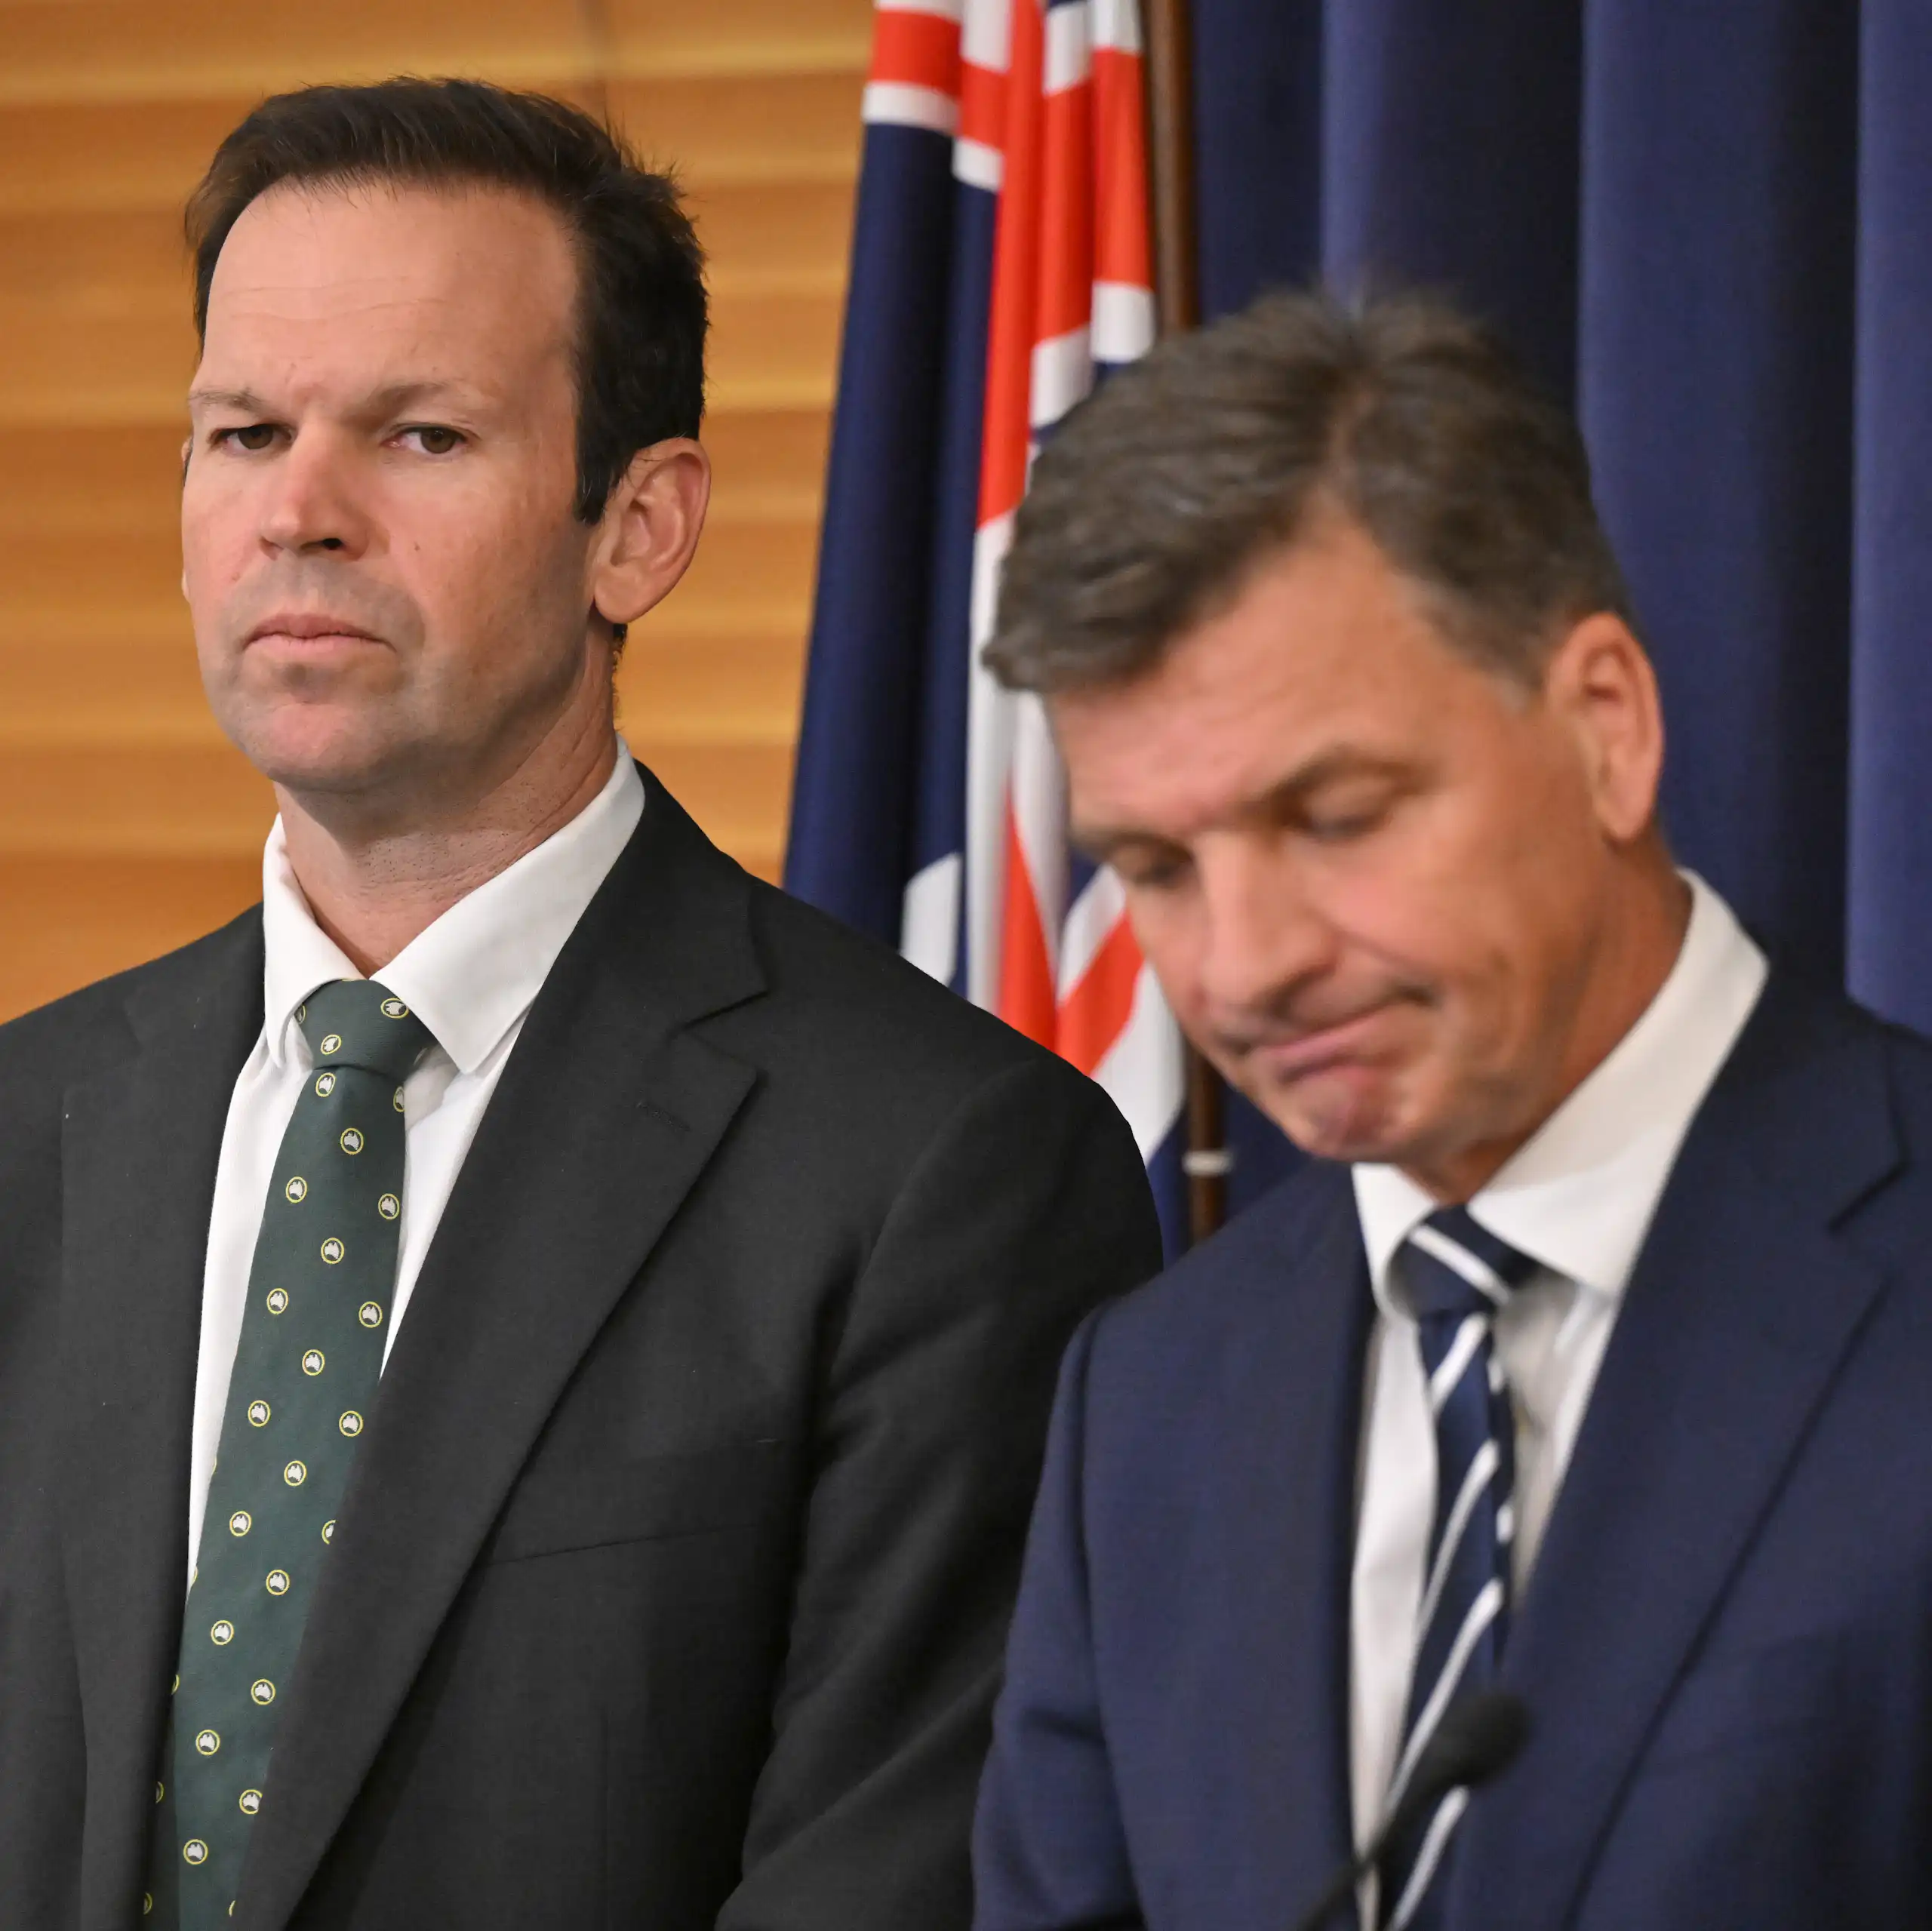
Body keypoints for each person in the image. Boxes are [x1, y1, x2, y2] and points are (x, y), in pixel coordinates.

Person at [0, 79, 1161, 1930]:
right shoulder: (27, 1127)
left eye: (421, 435)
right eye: (242, 431)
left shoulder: (948, 1172)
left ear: (639, 526)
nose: (299, 512)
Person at [969, 288, 1932, 1930]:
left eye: (1335, 816)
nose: (1245, 964)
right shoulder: (1149, 1396)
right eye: (1156, 869)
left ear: (1603, 730)